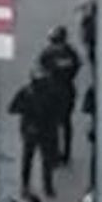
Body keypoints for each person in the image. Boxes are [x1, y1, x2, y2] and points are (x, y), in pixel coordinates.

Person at [10, 65, 60, 198]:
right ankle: (47, 187)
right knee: (45, 159)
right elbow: (59, 111)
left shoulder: (26, 92)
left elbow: (13, 108)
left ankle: (26, 186)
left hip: (31, 129)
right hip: (45, 130)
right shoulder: (52, 92)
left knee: (29, 158)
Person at [38, 26, 81, 165]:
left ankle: (54, 153)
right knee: (66, 122)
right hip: (67, 89)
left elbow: (42, 66)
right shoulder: (70, 52)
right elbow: (77, 66)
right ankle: (67, 154)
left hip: (52, 91)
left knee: (52, 124)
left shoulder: (48, 53)